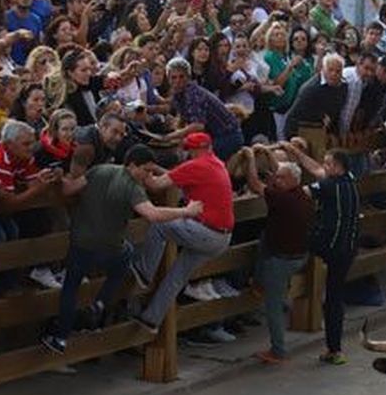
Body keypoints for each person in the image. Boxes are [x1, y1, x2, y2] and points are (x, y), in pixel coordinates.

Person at [43, 145, 201, 353]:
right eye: (145, 170)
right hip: (109, 246)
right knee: (125, 257)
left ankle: (60, 338)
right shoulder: (133, 187)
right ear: (132, 165)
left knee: (70, 287)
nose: (148, 175)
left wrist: (57, 178)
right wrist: (186, 211)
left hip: (80, 242)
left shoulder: (99, 170)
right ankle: (100, 303)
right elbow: (152, 215)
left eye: (151, 171)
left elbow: (68, 189)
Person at [131, 132, 234, 331]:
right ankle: (151, 320)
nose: (185, 153)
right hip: (222, 237)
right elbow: (178, 174)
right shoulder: (216, 163)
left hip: (205, 231)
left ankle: (144, 272)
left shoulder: (196, 165)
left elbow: (155, 185)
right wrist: (156, 168)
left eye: (187, 150)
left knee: (160, 226)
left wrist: (144, 172)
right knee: (177, 277)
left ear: (195, 150)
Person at [243, 148, 316, 364]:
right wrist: (268, 154)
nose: (276, 179)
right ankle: (260, 282)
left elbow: (255, 184)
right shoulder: (302, 194)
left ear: (293, 179)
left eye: (281, 178)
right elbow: (280, 173)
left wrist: (250, 159)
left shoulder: (281, 198)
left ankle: (278, 350)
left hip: (282, 260)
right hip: (299, 255)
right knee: (265, 238)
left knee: (272, 307)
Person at [305, 147, 360, 365]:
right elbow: (317, 170)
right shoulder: (350, 181)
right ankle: (334, 348)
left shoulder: (328, 186)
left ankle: (334, 348)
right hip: (349, 248)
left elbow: (301, 192)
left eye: (328, 164)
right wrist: (296, 153)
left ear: (337, 167)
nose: (324, 167)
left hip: (330, 246)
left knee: (333, 300)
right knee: (336, 295)